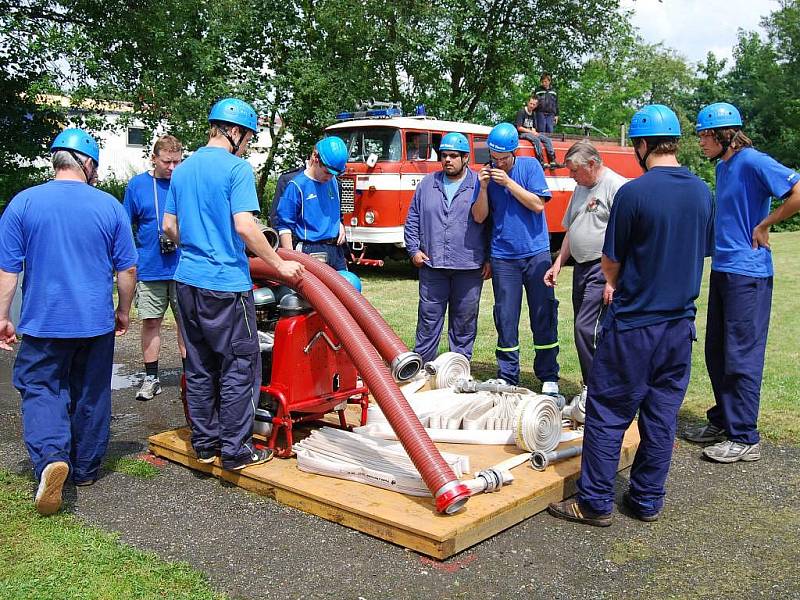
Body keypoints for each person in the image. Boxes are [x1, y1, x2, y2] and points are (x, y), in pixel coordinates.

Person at [548, 105, 713, 526]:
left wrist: (620, 281)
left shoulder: (633, 193)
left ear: (640, 145)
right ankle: (646, 501)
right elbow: (702, 251)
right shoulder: (700, 192)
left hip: (635, 325)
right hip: (680, 327)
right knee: (660, 418)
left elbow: (610, 263)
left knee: (608, 412)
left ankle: (595, 503)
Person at [0, 128, 138, 515]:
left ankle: (51, 458)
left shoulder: (24, 203)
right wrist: (123, 310)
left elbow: (8, 271)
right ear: (89, 163)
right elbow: (127, 269)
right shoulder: (109, 206)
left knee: (41, 388)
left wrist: (1, 317)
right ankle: (87, 469)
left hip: (43, 322)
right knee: (91, 393)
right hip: (94, 322)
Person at [163, 98, 304, 471]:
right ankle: (237, 452)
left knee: (199, 364)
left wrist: (196, 244)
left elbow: (168, 227)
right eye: (249, 137)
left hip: (186, 283)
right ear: (235, 131)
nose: (248, 145)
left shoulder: (183, 169)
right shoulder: (236, 170)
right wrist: (279, 266)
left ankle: (206, 445)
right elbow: (245, 226)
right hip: (225, 284)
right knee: (239, 365)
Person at [684, 102, 800, 463]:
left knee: (741, 356)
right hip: (725, 268)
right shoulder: (725, 165)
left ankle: (745, 437)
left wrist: (765, 224)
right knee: (716, 352)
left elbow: (797, 192)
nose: (701, 142)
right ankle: (723, 421)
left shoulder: (753, 161)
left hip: (748, 274)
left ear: (724, 135)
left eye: (705, 135)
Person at [471, 122, 560, 394]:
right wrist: (484, 188)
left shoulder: (529, 167)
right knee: (505, 317)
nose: (498, 163)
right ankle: (508, 374)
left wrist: (508, 183)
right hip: (503, 256)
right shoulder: (485, 177)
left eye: (502, 159)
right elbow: (479, 217)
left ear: (513, 153)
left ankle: (549, 376)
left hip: (536, 253)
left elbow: (537, 204)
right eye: (493, 159)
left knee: (543, 314)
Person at [544, 140, 627, 400]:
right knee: (586, 329)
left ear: (592, 164)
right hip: (581, 268)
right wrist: (558, 262)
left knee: (586, 328)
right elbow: (573, 227)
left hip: (602, 268)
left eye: (574, 170)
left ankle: (599, 389)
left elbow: (626, 236)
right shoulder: (581, 187)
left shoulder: (617, 187)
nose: (571, 176)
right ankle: (591, 386)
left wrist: (613, 279)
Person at [404, 132, 490, 363]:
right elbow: (412, 218)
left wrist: (489, 258)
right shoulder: (427, 184)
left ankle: (458, 368)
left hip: (469, 266)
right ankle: (422, 369)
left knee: (464, 322)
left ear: (465, 158)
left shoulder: (478, 185)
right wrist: (413, 250)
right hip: (432, 265)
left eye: (453, 156)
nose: (447, 160)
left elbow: (491, 223)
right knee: (428, 320)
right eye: (444, 155)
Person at [123, 135, 186, 401]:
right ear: (153, 158)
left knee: (188, 325)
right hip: (150, 267)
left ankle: (190, 379)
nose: (172, 168)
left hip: (184, 267)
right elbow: (125, 227)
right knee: (151, 322)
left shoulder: (185, 183)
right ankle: (151, 378)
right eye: (167, 162)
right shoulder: (137, 186)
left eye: (177, 162)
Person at [274, 136, 349, 270]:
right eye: (327, 172)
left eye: (334, 174)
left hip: (336, 250)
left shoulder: (334, 183)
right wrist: (291, 260)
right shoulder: (296, 185)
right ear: (315, 157)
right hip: (311, 251)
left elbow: (334, 211)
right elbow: (284, 226)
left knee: (346, 287)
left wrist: (340, 224)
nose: (330, 177)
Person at [514, 96, 556, 168]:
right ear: (528, 103)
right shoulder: (521, 112)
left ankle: (552, 160)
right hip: (521, 134)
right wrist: (531, 132)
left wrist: (534, 131)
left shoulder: (533, 114)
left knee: (546, 139)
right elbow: (519, 127)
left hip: (530, 132)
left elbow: (534, 127)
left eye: (534, 104)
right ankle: (541, 161)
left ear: (536, 105)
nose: (532, 106)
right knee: (536, 140)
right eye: (531, 103)